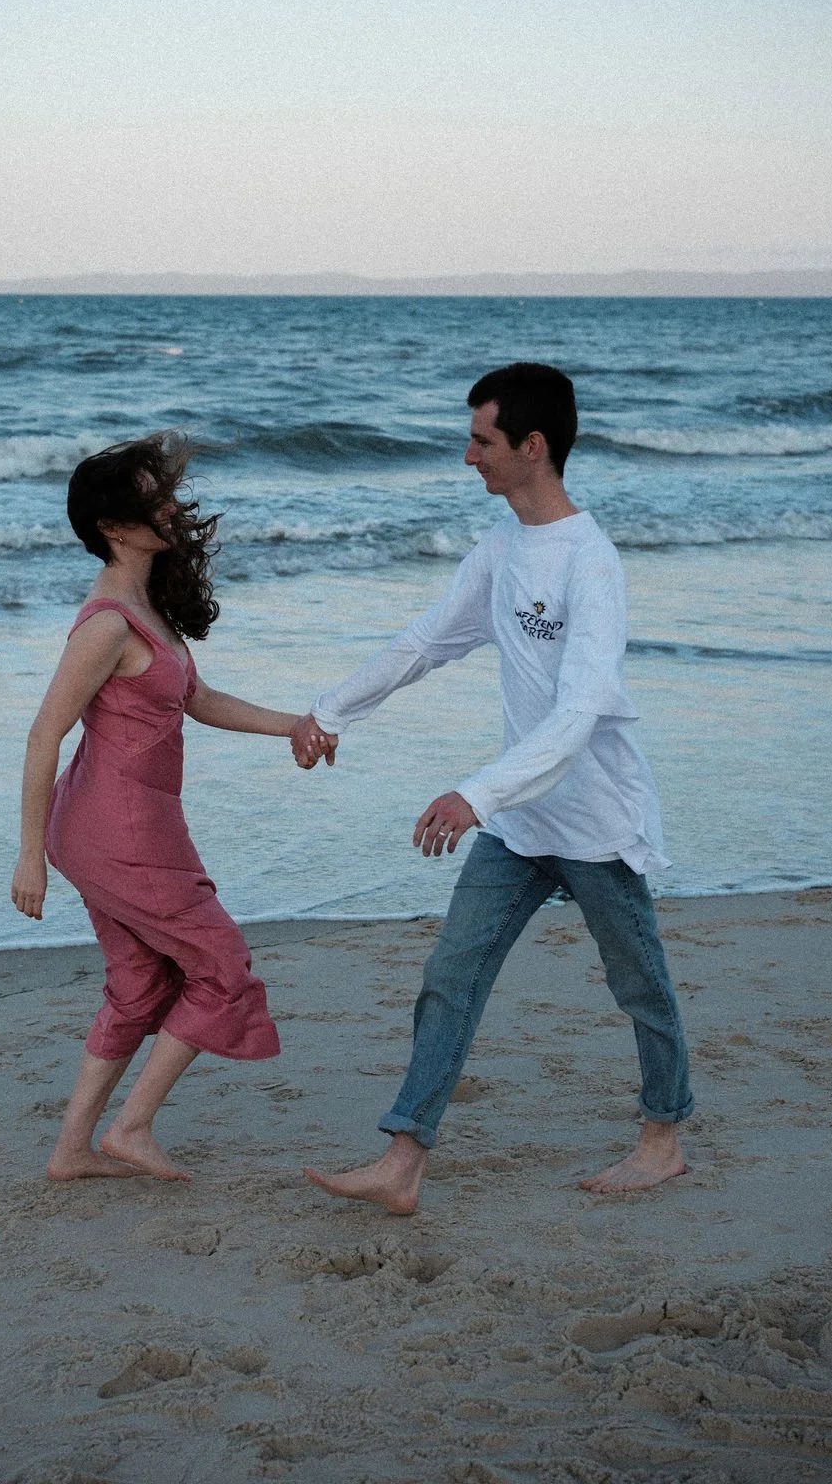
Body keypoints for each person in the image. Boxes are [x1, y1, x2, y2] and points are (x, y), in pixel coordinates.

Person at [292, 363, 693, 1214]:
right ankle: (403, 1160)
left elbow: (582, 709)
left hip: (592, 818)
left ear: (532, 447)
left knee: (640, 985)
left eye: (483, 440)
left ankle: (663, 1138)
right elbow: (427, 642)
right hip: (517, 823)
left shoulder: (591, 562)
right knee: (451, 974)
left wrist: (476, 792)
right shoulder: (501, 547)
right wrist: (330, 712)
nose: (467, 455)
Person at [12, 434, 330, 1182]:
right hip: (121, 832)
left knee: (140, 984)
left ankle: (71, 1153)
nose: (169, 508)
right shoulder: (106, 626)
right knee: (222, 966)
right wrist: (29, 855)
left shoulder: (143, 607)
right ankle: (132, 1129)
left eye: (166, 493)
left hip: (121, 825)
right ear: (114, 528)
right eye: (150, 500)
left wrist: (295, 723)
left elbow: (199, 699)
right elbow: (42, 734)